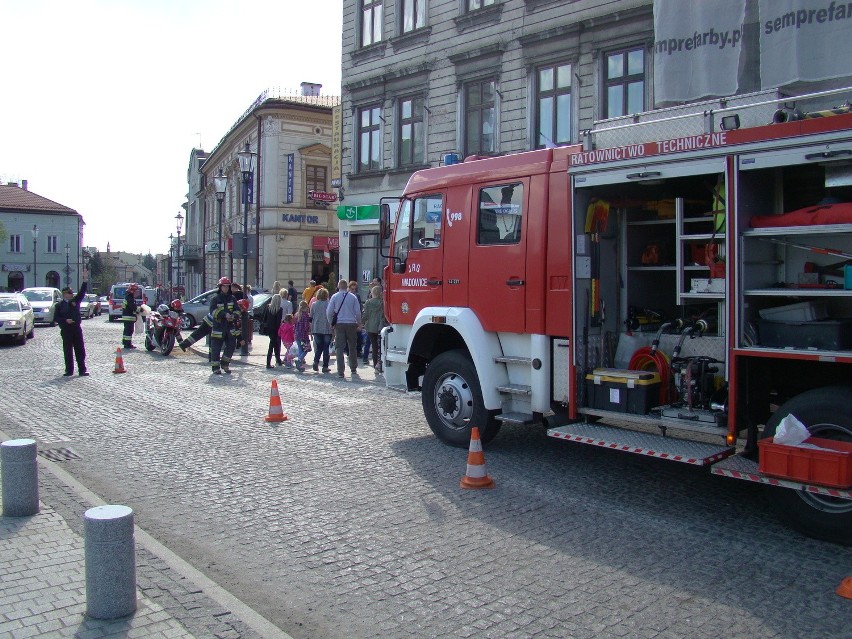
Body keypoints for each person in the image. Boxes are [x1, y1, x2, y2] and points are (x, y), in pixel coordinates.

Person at [55, 269, 89, 376]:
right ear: (64, 294)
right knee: (68, 351)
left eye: (71, 292)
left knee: (80, 349)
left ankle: (82, 369)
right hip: (66, 330)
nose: (71, 294)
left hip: (76, 328)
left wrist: (85, 279)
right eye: (69, 293)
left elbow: (82, 292)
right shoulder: (59, 305)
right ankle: (69, 370)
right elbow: (57, 317)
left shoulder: (75, 301)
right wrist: (65, 321)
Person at [327, 279, 362, 378]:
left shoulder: (334, 296)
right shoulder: (353, 297)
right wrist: (359, 323)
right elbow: (358, 312)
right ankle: (353, 368)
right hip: (351, 323)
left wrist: (331, 322)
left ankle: (340, 372)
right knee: (352, 347)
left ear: (338, 286)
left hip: (339, 324)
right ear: (347, 287)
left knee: (339, 348)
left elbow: (329, 311)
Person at [208, 277, 240, 374]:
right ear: (220, 287)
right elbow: (212, 311)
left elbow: (237, 310)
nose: (226, 288)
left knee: (231, 345)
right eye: (224, 286)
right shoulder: (215, 299)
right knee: (216, 349)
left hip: (229, 326)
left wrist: (234, 316)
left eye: (227, 287)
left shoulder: (232, 298)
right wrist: (223, 314)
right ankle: (215, 368)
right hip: (218, 327)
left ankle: (225, 364)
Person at [361, 285, 386, 371]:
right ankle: (380, 363)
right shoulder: (382, 303)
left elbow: (366, 315)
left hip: (370, 327)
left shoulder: (368, 302)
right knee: (381, 346)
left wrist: (361, 323)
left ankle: (375, 364)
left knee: (374, 346)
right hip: (380, 326)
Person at [310, 287, 332, 372]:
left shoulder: (314, 304)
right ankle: (325, 366)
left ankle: (316, 361)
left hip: (316, 328)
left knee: (319, 347)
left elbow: (311, 317)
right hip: (327, 328)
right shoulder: (328, 304)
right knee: (326, 347)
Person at [264, 293, 285, 368]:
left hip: (269, 328)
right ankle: (268, 363)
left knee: (275, 344)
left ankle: (278, 360)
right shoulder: (279, 309)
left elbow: (265, 318)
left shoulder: (268, 307)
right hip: (276, 328)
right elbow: (278, 321)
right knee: (273, 345)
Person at [120, 284, 141, 349]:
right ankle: (127, 344)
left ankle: (126, 343)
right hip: (129, 317)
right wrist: (140, 309)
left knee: (127, 330)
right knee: (129, 331)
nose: (137, 292)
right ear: (133, 291)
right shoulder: (130, 297)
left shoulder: (128, 296)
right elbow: (133, 307)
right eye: (136, 291)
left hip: (127, 316)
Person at [293, 300, 312, 373]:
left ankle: (300, 364)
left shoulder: (297, 314)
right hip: (303, 335)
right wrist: (309, 331)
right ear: (306, 307)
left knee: (300, 349)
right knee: (306, 349)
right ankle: (299, 360)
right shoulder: (306, 315)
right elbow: (306, 327)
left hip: (297, 334)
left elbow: (294, 325)